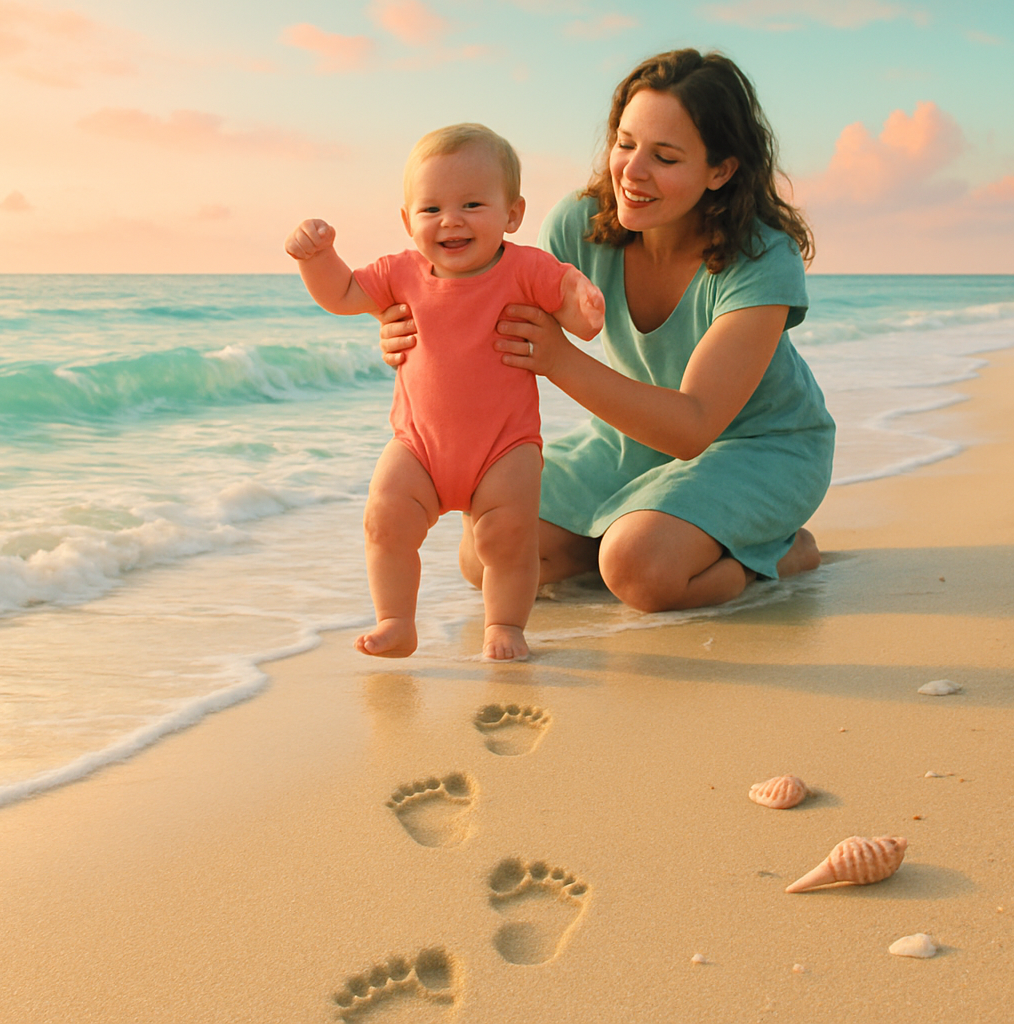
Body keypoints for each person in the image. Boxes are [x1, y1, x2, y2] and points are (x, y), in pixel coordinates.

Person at [378, 50, 836, 614]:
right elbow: (484, 310)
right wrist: (407, 328)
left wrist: (560, 360)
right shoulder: (579, 224)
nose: (632, 172)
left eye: (664, 157)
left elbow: (692, 428)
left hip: (762, 448)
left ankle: (769, 555)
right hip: (631, 442)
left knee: (639, 570)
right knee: (485, 553)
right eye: (625, 143)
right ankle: (649, 533)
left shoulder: (764, 256)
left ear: (721, 170)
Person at [285, 123, 604, 661]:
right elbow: (341, 294)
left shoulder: (526, 268)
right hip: (418, 446)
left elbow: (570, 298)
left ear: (513, 214)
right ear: (408, 221)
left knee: (508, 539)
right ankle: (395, 620)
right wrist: (315, 259)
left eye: (473, 204)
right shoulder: (399, 273)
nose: (450, 220)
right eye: (431, 209)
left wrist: (584, 305)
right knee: (384, 518)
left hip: (505, 448)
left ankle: (505, 625)